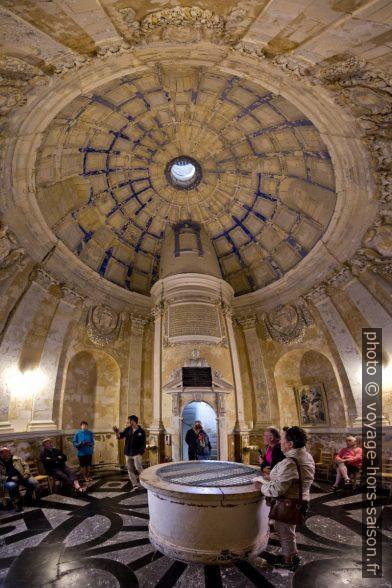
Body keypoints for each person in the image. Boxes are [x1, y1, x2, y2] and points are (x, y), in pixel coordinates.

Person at [253, 426, 315, 571]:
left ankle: (289, 561)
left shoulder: (290, 462)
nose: (280, 442)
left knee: (285, 532)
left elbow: (276, 490)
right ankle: (292, 556)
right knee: (288, 531)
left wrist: (260, 485)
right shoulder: (306, 456)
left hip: (289, 503)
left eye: (282, 440)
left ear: (291, 444)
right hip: (300, 499)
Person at [0, 447, 38, 512]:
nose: (9, 453)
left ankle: (27, 498)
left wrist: (26, 473)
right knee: (12, 486)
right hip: (8, 480)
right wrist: (10, 478)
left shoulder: (16, 458)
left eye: (9, 451)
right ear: (1, 454)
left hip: (21, 477)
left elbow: (25, 465)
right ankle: (17, 504)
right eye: (6, 452)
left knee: (33, 483)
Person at [113, 415, 146, 491]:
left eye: (130, 421)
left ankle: (145, 482)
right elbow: (119, 437)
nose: (129, 422)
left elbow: (143, 443)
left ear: (135, 421)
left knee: (139, 468)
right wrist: (117, 432)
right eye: (129, 421)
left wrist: (141, 452)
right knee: (130, 469)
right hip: (128, 453)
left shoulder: (141, 431)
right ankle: (135, 484)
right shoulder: (128, 429)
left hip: (137, 453)